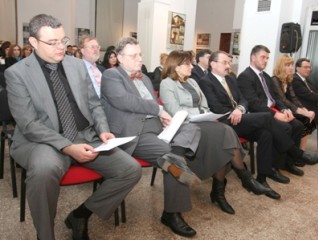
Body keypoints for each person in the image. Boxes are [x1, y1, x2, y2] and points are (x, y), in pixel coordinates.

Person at [4, 14, 141, 240]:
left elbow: (94, 104)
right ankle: (45, 235)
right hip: (43, 140)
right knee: (44, 169)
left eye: (63, 40)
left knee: (130, 170)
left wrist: (103, 129)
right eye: (52, 42)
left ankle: (81, 214)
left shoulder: (77, 65)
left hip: (84, 135)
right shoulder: (17, 73)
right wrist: (67, 147)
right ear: (34, 43)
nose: (61, 47)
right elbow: (28, 124)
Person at [101, 37, 205, 238]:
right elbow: (126, 102)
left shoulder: (145, 78)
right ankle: (172, 214)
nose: (140, 58)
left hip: (156, 129)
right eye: (134, 55)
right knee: (172, 157)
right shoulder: (111, 75)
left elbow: (154, 108)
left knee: (191, 128)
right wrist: (158, 109)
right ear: (120, 58)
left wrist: (164, 117)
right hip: (134, 133)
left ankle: (178, 159)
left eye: (140, 54)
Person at [199, 50, 318, 200]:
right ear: (213, 64)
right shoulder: (205, 81)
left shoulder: (231, 79)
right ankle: (297, 153)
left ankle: (262, 178)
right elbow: (216, 107)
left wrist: (240, 109)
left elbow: (243, 100)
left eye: (229, 62)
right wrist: (237, 111)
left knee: (266, 134)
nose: (228, 65)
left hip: (240, 118)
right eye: (225, 62)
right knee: (267, 117)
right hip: (224, 122)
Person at [160, 50, 270, 205]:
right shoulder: (167, 84)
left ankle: (222, 190)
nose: (192, 66)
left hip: (202, 120)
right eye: (188, 64)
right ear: (177, 67)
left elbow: (205, 105)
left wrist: (205, 114)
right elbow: (175, 110)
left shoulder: (192, 81)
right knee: (225, 134)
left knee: (225, 135)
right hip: (186, 125)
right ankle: (242, 179)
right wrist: (200, 113)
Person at [272, 55, 316, 152]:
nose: (291, 67)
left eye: (291, 65)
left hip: (288, 107)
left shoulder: (288, 79)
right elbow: (283, 100)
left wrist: (304, 109)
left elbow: (293, 98)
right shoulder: (275, 79)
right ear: (281, 66)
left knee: (309, 120)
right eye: (288, 65)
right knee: (304, 120)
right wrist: (302, 112)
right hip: (279, 109)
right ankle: (295, 152)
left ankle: (301, 151)